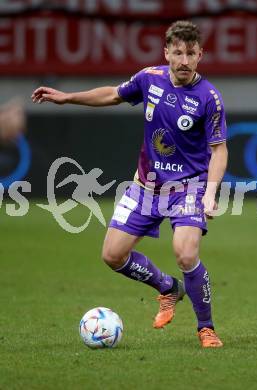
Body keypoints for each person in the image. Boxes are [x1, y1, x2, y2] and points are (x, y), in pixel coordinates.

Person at [32, 20, 228, 348]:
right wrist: (67, 98)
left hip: (188, 189)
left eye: (190, 53)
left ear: (200, 55)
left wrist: (209, 193)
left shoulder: (209, 98)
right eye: (177, 52)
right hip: (145, 187)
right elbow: (112, 94)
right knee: (112, 255)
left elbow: (219, 150)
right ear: (166, 52)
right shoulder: (149, 79)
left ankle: (206, 328)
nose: (183, 60)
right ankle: (167, 287)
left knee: (185, 252)